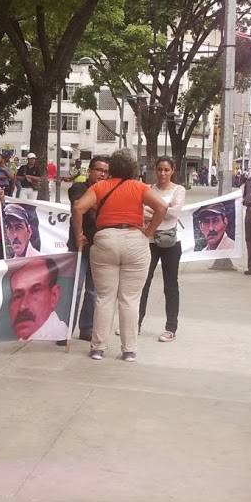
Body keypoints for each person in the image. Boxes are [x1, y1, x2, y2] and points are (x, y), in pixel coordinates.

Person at [72, 148, 167, 362]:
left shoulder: (100, 187)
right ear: (133, 167)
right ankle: (129, 350)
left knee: (104, 298)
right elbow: (161, 207)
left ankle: (98, 347)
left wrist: (79, 234)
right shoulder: (139, 187)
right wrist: (149, 232)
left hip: (105, 239)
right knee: (130, 299)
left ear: (112, 167)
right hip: (134, 240)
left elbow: (78, 208)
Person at [138, 157, 186, 342]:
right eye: (159, 169)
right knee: (143, 283)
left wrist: (153, 212)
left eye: (166, 170)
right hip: (148, 241)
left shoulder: (179, 190)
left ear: (172, 170)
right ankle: (136, 323)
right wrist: (161, 210)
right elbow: (140, 211)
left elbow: (175, 212)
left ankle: (171, 328)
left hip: (170, 243)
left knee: (171, 285)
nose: (163, 173)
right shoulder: (148, 189)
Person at [66, 156, 109, 342]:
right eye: (99, 170)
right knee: (74, 288)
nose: (102, 174)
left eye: (106, 172)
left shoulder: (107, 190)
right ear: (89, 171)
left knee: (93, 291)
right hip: (79, 245)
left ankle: (87, 328)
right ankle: (65, 330)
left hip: (99, 247)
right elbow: (78, 206)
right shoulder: (78, 187)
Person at [7, 257, 68, 341]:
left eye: (35, 291)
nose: (22, 306)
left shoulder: (57, 336)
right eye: (18, 296)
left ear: (54, 296)